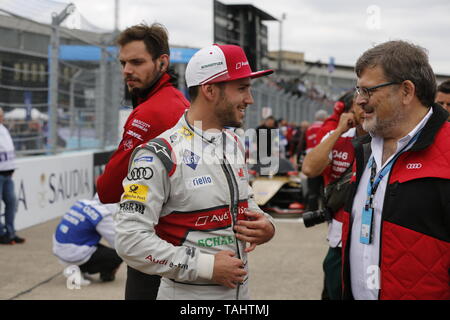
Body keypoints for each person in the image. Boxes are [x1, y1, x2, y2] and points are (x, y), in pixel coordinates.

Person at [114, 43, 276, 300]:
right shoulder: (158, 154)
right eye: (242, 89)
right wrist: (205, 267)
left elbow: (244, 200)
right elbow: (130, 241)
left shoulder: (232, 142)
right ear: (210, 90)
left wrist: (265, 223)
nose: (250, 99)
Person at [341, 40, 450, 300]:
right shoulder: (364, 149)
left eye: (368, 91)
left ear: (406, 91)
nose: (359, 101)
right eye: (358, 90)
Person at [96, 23, 189, 299]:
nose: (126, 70)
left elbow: (107, 189)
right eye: (123, 62)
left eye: (136, 62)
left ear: (163, 62)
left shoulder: (150, 113)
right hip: (186, 245)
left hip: (155, 249)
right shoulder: (182, 104)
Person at [302, 93, 367, 299]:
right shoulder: (338, 138)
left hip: (370, 242)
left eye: (369, 102)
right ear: (350, 110)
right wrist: (339, 130)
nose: (365, 109)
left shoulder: (390, 139)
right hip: (339, 241)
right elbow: (309, 168)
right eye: (359, 104)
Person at [53, 196, 122, 283]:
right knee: (118, 255)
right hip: (72, 253)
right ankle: (83, 270)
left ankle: (80, 268)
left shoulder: (82, 202)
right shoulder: (103, 214)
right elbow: (117, 242)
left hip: (59, 246)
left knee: (92, 241)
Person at [0, 107, 24, 245]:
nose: (2, 117)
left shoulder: (3, 129)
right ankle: (2, 233)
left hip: (7, 173)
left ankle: (10, 232)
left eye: (2, 115)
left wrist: (11, 166)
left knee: (11, 202)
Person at [303, 109, 328, 211]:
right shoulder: (325, 127)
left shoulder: (309, 128)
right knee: (324, 187)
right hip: (322, 160)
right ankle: (324, 210)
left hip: (310, 160)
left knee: (312, 189)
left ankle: (312, 210)